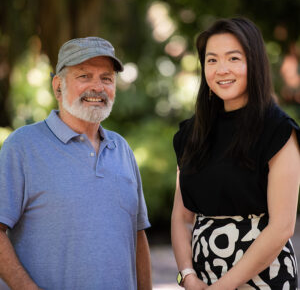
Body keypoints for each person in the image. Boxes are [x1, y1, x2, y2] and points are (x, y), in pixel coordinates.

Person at [0, 37, 152, 290]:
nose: (98, 87)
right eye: (84, 76)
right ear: (58, 87)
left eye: (106, 78)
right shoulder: (23, 146)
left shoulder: (122, 148)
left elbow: (138, 235)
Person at [171, 18, 300, 289]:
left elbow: (282, 227)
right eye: (212, 60)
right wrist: (187, 276)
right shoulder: (191, 133)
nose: (222, 69)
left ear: (254, 63)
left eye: (233, 58)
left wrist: (224, 286)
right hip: (201, 279)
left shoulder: (278, 131)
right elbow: (182, 217)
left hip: (264, 279)